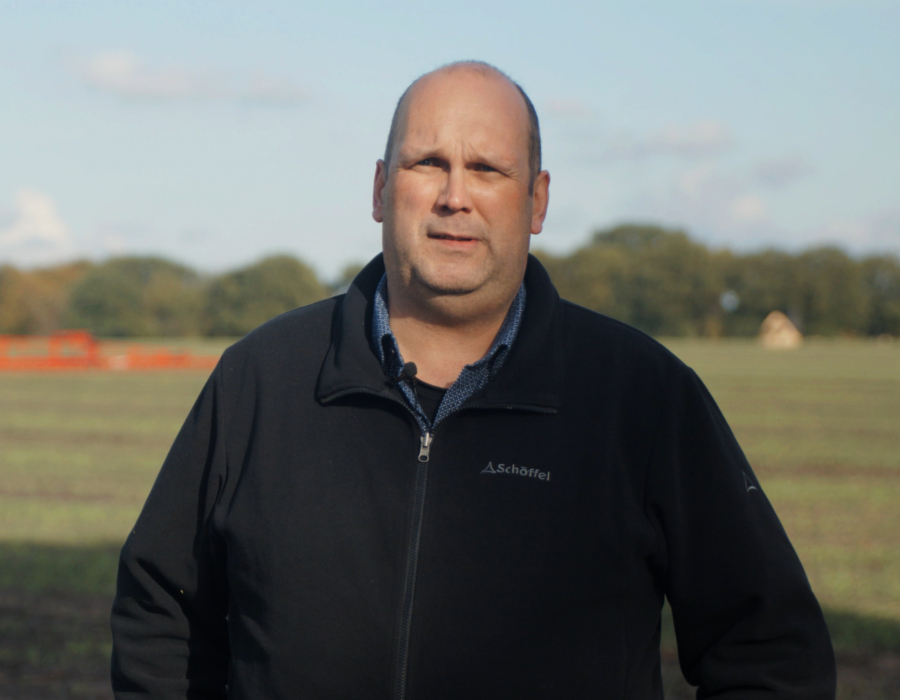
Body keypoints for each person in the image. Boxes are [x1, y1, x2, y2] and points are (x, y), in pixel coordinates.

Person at [110, 61, 836, 699]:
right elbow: (161, 611)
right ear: (379, 188)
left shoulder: (642, 396)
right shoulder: (260, 380)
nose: (455, 196)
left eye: (488, 169)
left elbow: (770, 651)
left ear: (538, 200)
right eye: (428, 162)